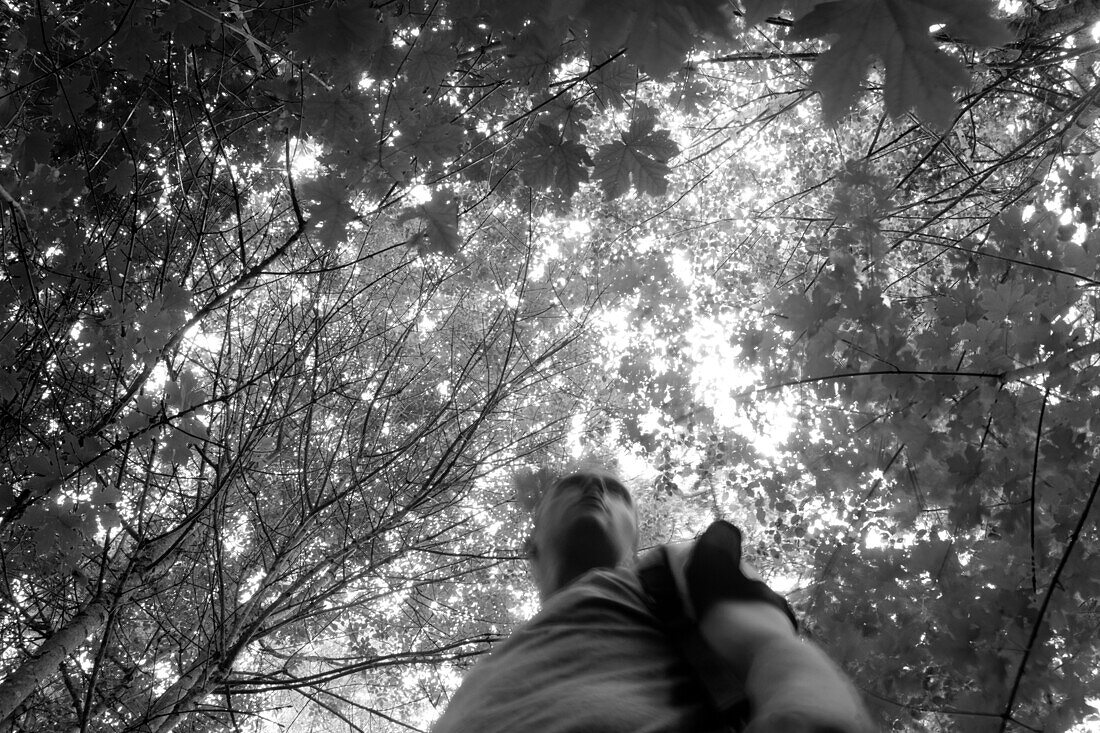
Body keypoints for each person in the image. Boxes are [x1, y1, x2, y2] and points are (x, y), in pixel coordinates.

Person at [432, 470, 874, 732]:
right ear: (531, 547)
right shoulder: (480, 677)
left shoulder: (668, 572)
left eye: (615, 491)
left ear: (636, 537)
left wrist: (802, 717)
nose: (595, 489)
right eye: (573, 484)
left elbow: (773, 653)